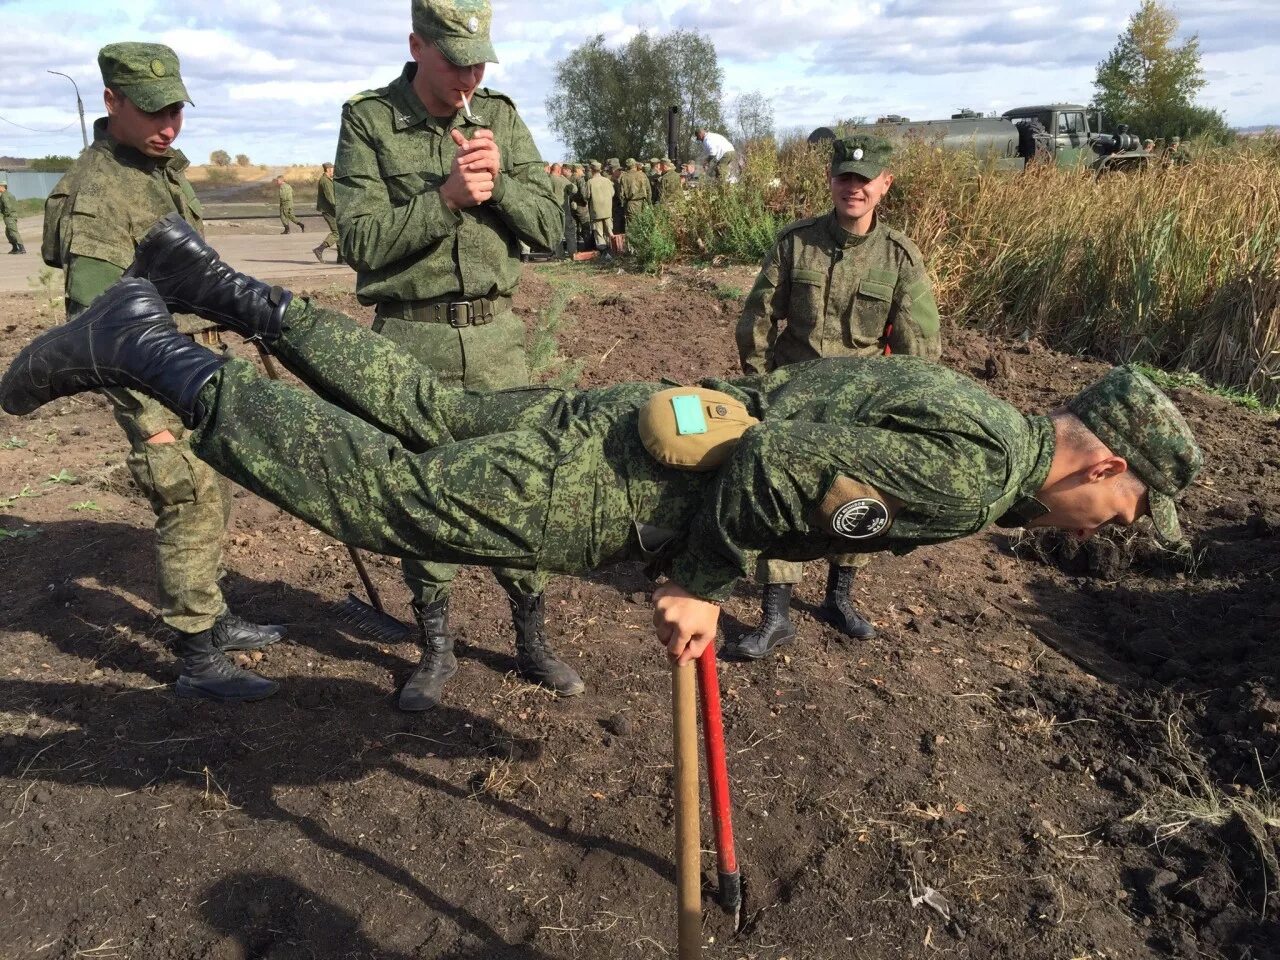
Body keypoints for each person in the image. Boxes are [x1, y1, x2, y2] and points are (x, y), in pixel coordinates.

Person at [2, 215, 1204, 672]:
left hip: (635, 414)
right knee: (398, 500)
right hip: (617, 480)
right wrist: (700, 584)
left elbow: (794, 406)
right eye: (1125, 511)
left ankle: (217, 284)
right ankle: (152, 345)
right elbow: (783, 470)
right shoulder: (971, 479)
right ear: (1102, 467)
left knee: (424, 415)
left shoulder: (975, 411)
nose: (1106, 533)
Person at [333, 0, 578, 711]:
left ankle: (531, 640)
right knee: (423, 492)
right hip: (412, 339)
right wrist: (442, 199)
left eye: (478, 61)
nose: (468, 75)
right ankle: (436, 649)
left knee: (521, 486)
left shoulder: (499, 117)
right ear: (416, 45)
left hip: (499, 341)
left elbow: (552, 227)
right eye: (453, 60)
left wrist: (499, 184)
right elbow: (360, 242)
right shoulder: (370, 121)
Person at [38, 43, 284, 703]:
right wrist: (148, 425)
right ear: (112, 100)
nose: (169, 123)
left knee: (214, 493)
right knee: (186, 497)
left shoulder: (157, 169)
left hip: (190, 365)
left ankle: (214, 614)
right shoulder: (99, 190)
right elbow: (99, 326)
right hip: (151, 382)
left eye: (175, 107)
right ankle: (197, 658)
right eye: (152, 110)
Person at [730, 134, 944, 659]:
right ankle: (776, 613)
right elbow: (757, 318)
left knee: (859, 498)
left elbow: (921, 344)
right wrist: (762, 386)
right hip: (794, 392)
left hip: (861, 401)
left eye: (864, 179)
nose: (854, 187)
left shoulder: (899, 258)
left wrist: (904, 407)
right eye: (845, 177)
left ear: (884, 185)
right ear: (831, 181)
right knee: (783, 495)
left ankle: (839, 598)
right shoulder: (795, 242)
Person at [584, 160, 614, 257]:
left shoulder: (590, 182)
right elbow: (612, 193)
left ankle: (604, 254)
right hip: (608, 210)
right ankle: (613, 250)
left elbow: (586, 196)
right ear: (600, 170)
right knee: (609, 231)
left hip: (596, 212)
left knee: (599, 233)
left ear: (592, 170)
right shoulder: (607, 181)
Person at [312, 162, 340, 264]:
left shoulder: (327, 180)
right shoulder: (325, 181)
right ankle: (319, 250)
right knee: (337, 232)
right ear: (328, 169)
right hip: (328, 210)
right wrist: (339, 209)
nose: (334, 170)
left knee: (339, 232)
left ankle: (341, 257)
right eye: (332, 169)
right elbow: (331, 199)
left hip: (330, 210)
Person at [619, 158, 650, 234]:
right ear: (635, 165)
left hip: (631, 204)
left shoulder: (624, 177)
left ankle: (633, 245)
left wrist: (624, 206)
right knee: (644, 225)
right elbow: (649, 190)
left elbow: (621, 195)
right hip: (643, 203)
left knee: (632, 227)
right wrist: (649, 203)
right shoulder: (643, 175)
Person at [0, 178, 25, 254]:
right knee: (8, 232)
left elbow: (8, 206)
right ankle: (15, 248)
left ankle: (21, 248)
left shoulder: (4, 196)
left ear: (2, 187)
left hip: (9, 216)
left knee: (13, 232)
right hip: (12, 215)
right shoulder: (9, 194)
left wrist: (6, 214)